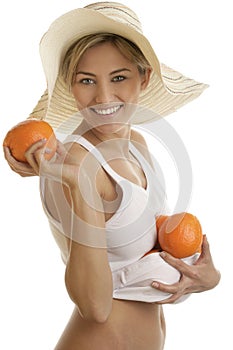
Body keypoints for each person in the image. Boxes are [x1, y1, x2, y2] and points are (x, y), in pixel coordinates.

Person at [3, 2, 220, 349]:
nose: (103, 97)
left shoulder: (137, 143)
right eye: (87, 80)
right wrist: (79, 185)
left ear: (144, 77)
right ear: (71, 87)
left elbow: (149, 246)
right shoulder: (72, 164)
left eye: (119, 77)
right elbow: (95, 306)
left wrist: (205, 276)